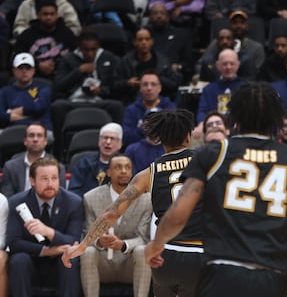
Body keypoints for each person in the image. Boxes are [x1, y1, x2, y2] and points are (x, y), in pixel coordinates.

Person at [142, 85, 287, 297]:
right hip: (271, 275)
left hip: (221, 273)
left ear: (234, 117)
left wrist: (156, 245)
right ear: (276, 118)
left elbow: (177, 214)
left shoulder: (214, 154)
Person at [62, 110, 204, 297]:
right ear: (188, 137)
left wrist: (82, 246)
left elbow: (111, 214)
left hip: (164, 255)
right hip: (198, 252)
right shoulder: (206, 163)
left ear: (160, 139)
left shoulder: (148, 174)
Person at [8, 157, 82, 297]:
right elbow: (13, 243)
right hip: (31, 260)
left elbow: (74, 240)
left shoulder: (74, 203)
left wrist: (48, 232)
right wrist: (47, 251)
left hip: (60, 262)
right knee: (18, 260)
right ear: (32, 181)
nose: (50, 184)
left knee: (71, 259)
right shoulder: (17, 203)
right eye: (44, 179)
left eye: (54, 178)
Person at [80, 153, 152, 297]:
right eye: (118, 167)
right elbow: (87, 236)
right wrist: (99, 241)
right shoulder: (90, 198)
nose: (124, 171)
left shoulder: (146, 200)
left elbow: (143, 238)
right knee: (88, 252)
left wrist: (123, 244)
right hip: (103, 262)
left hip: (130, 264)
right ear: (109, 172)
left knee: (142, 250)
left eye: (127, 167)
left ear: (132, 172)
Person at [0, 123, 64, 197]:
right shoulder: (10, 167)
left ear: (46, 141)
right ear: (25, 141)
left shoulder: (58, 167)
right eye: (31, 135)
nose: (35, 139)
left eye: (39, 136)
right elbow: (7, 198)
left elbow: (59, 197)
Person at [121, 71, 177, 146]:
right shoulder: (131, 110)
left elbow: (174, 134)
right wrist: (143, 129)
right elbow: (126, 137)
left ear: (159, 88)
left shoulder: (169, 108)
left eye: (153, 84)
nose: (149, 88)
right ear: (140, 88)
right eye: (145, 84)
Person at [68, 123, 123, 197]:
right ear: (99, 141)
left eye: (112, 139)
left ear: (120, 144)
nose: (108, 142)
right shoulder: (84, 163)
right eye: (105, 138)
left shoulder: (125, 166)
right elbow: (74, 192)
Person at [0, 52, 52, 130]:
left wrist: (10, 112)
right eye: (20, 68)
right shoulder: (4, 91)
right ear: (14, 70)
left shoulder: (44, 89)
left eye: (28, 68)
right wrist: (30, 113)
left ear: (33, 70)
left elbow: (38, 107)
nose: (24, 71)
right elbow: (1, 115)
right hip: (12, 131)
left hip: (40, 130)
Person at [197, 48, 244, 122]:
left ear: (238, 64)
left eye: (232, 63)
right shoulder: (208, 90)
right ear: (218, 65)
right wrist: (203, 123)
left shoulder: (246, 89)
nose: (228, 67)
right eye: (225, 64)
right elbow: (201, 113)